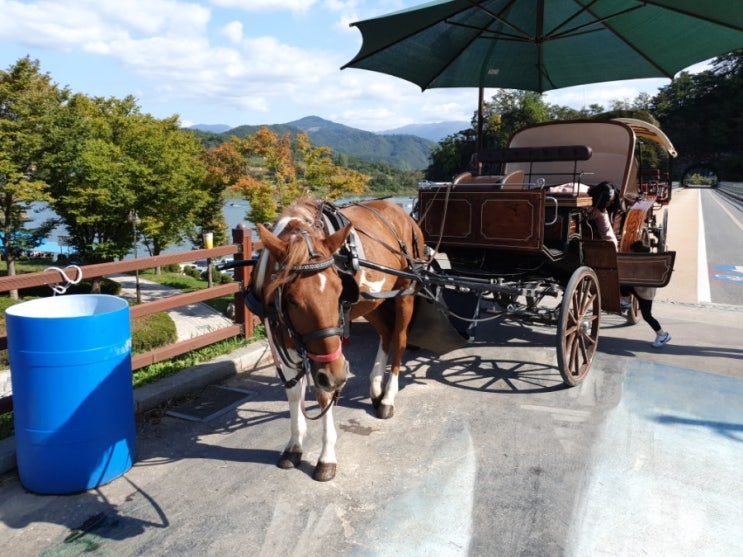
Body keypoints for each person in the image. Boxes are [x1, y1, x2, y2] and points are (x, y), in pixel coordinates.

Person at [621, 240, 672, 348]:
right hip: (640, 289)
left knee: (647, 316)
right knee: (624, 284)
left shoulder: (643, 264)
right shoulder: (648, 261)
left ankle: (663, 335)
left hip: (645, 293)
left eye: (632, 252)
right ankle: (626, 301)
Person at [586, 181, 619, 249]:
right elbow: (608, 235)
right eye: (608, 202)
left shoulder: (601, 212)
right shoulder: (600, 212)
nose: (609, 204)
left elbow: (608, 236)